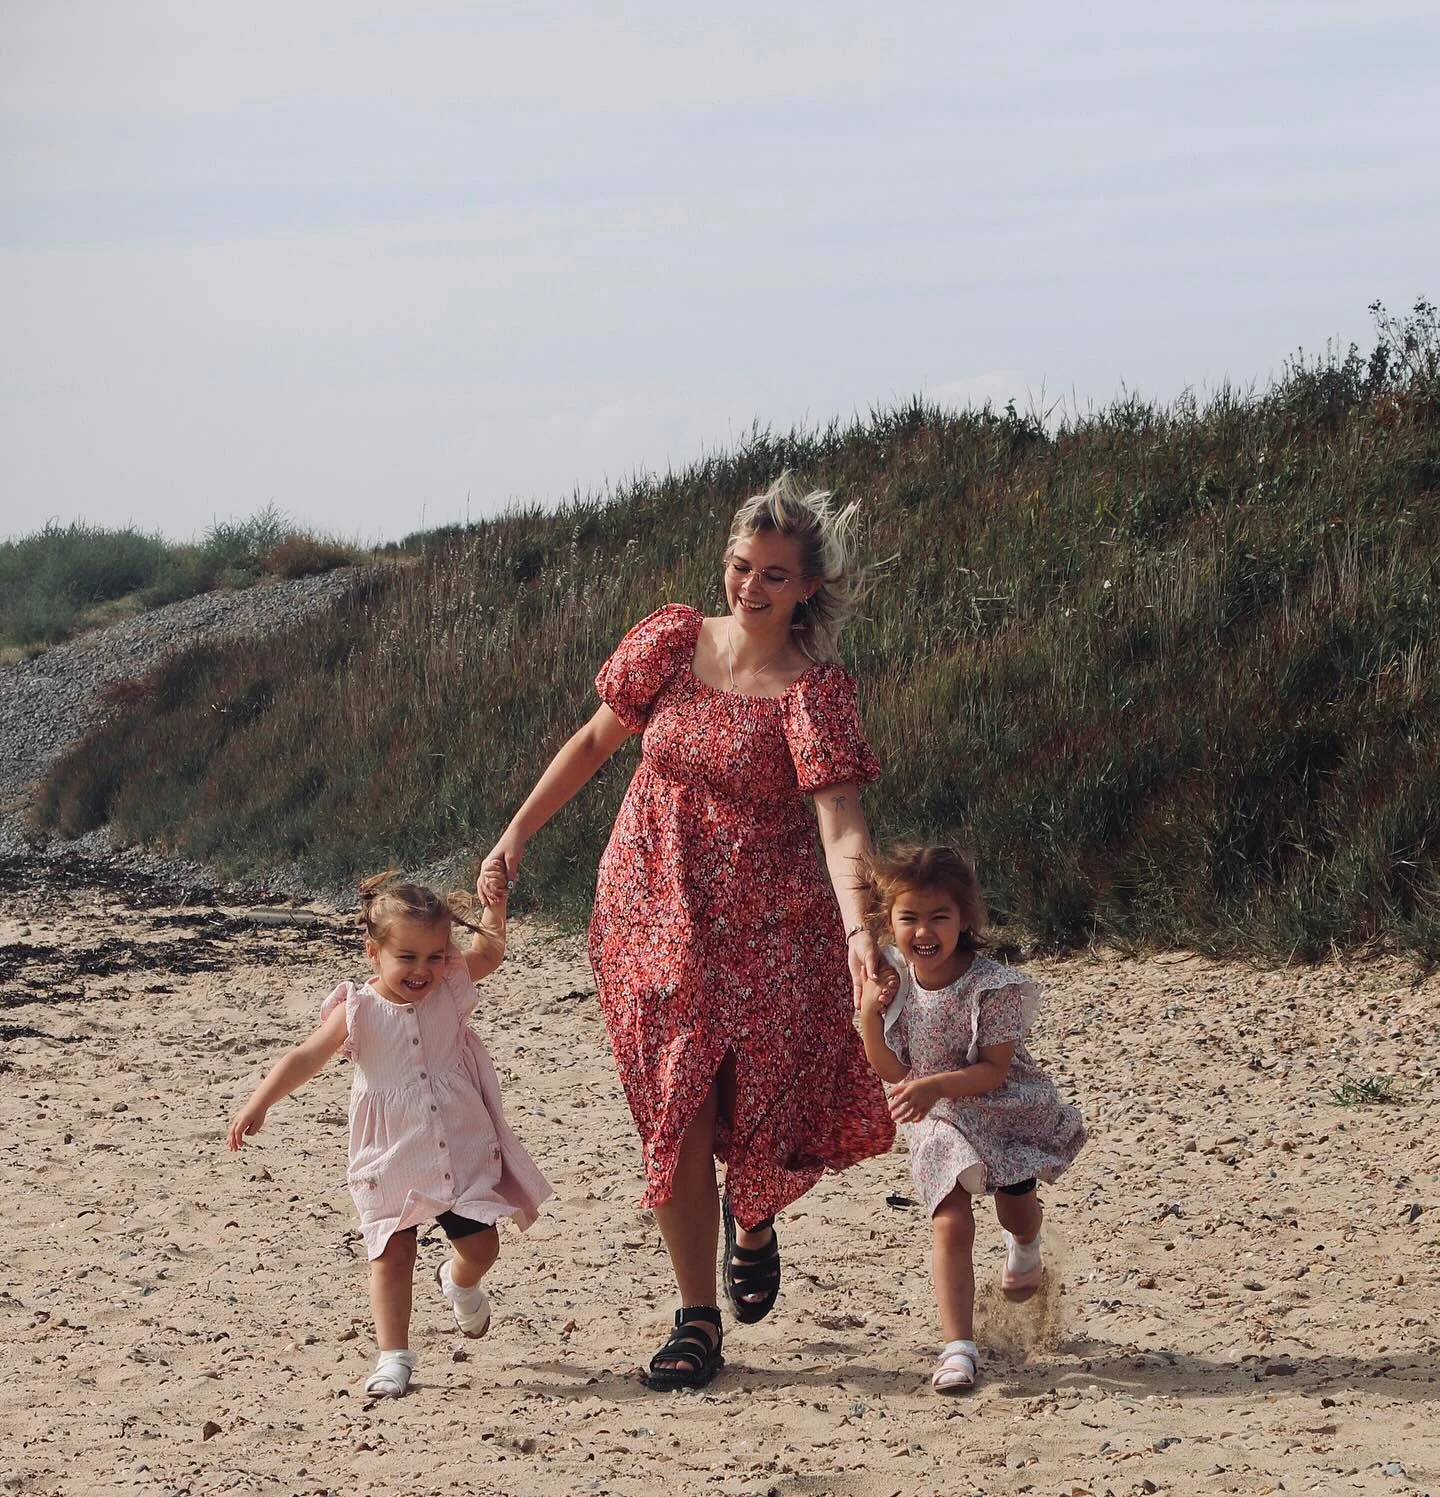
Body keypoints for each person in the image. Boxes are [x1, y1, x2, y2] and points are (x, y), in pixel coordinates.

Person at [480, 471, 894, 1390]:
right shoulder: (671, 640)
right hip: (650, 904)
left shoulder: (812, 692)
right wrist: (516, 833)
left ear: (808, 587)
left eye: (775, 575)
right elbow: (594, 742)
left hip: (770, 924)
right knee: (679, 1106)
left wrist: (859, 929)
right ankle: (695, 1317)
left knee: (758, 1109)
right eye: (742, 567)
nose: (751, 587)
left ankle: (754, 1216)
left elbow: (840, 822)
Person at [227, 873, 550, 1399]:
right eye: (407, 957)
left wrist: (496, 907)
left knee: (482, 1244)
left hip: (457, 1142)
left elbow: (488, 953)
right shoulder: (358, 1009)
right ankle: (393, 1356)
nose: (423, 970)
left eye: (434, 956)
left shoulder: (449, 986)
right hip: (389, 1151)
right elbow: (305, 1056)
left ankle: (459, 1281)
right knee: (391, 1254)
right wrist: (259, 1102)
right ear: (373, 952)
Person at [856, 844, 1085, 1394]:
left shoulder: (991, 985)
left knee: (1015, 1208)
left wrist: (931, 1084)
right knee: (950, 1220)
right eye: (909, 917)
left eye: (940, 917)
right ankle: (959, 1346)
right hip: (938, 1119)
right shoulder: (893, 980)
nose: (924, 930)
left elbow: (992, 1069)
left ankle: (1026, 1246)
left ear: (964, 919)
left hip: (1000, 1106)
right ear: (890, 921)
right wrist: (868, 1011)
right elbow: (892, 1065)